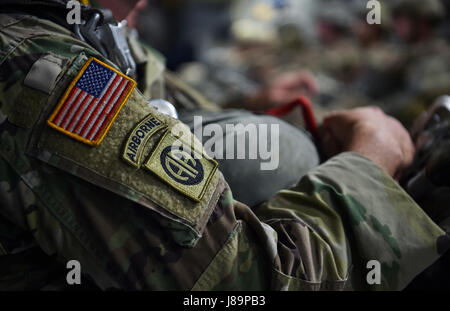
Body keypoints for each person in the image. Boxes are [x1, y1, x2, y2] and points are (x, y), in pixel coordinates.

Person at [0, 0, 448, 290]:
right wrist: (369, 168)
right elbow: (242, 286)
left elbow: (147, 103)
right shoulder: (49, 74)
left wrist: (247, 111)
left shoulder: (69, 21)